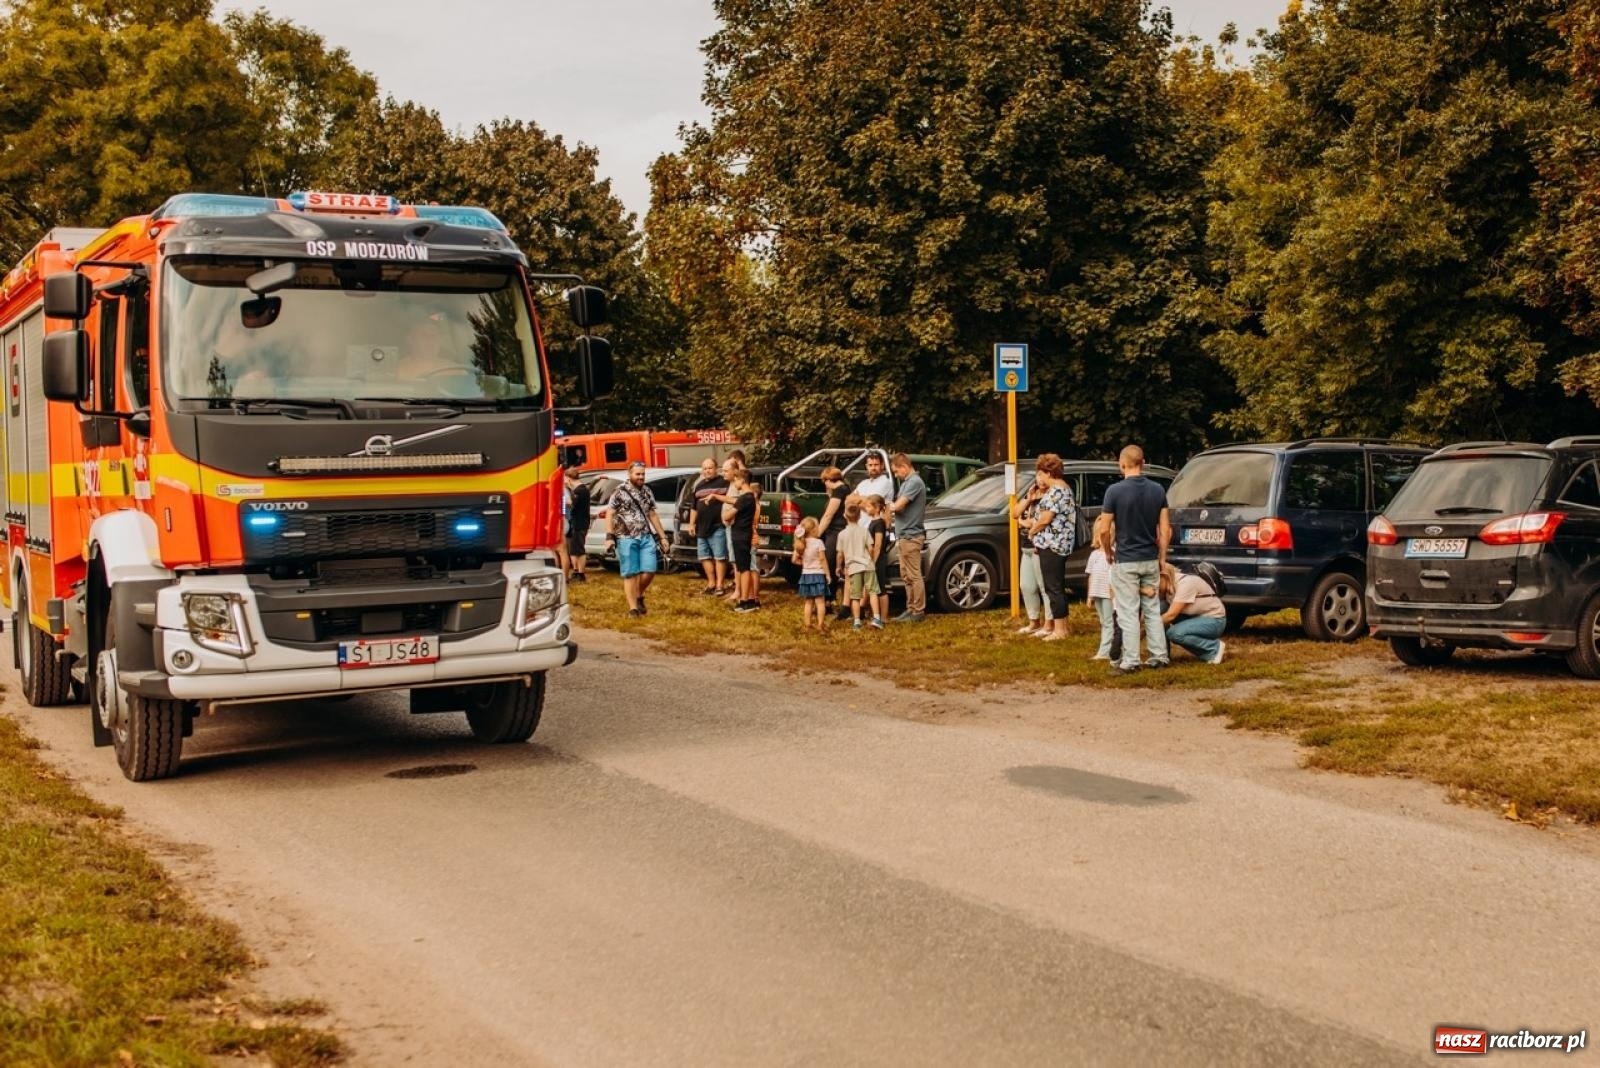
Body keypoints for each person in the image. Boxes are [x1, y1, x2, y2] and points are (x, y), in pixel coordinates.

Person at [1103, 444, 1172, 675]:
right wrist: (1162, 557)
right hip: (1150, 558)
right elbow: (1165, 529)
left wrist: (1107, 550)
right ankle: (1159, 656)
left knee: (1128, 611)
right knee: (1152, 609)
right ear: (1143, 463)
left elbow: (1104, 528)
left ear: (1122, 464)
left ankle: (1131, 660)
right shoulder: (1158, 490)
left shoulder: (1114, 491)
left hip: (1126, 558)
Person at [605, 461, 671, 617]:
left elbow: (652, 514)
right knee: (631, 573)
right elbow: (610, 513)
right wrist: (610, 537)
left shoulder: (647, 491)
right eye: (638, 474)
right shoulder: (619, 491)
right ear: (630, 474)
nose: (641, 477)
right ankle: (633, 608)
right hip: (626, 537)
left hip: (646, 536)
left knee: (650, 570)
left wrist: (663, 537)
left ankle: (638, 594)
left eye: (643, 474)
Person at [1025, 453, 1076, 642]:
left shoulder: (1057, 491)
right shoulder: (1064, 489)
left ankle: (1060, 629)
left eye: (1041, 472)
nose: (1040, 477)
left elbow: (1046, 518)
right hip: (1057, 543)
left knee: (1053, 586)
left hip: (1053, 544)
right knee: (1056, 586)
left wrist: (1032, 531)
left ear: (1048, 472)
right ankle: (1062, 625)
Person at [888, 453, 928, 622]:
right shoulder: (907, 483)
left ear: (904, 467)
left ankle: (918, 611)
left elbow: (898, 506)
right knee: (906, 575)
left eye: (896, 471)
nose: (896, 475)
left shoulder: (914, 482)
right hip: (903, 536)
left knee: (914, 575)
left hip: (911, 536)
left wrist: (891, 506)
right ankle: (910, 608)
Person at [1160, 562, 1227, 663]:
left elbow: (1171, 616)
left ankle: (1214, 648)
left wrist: (1144, 629)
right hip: (1193, 618)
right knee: (1161, 608)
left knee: (1175, 633)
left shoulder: (1186, 583)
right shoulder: (1168, 586)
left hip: (1214, 621)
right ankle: (1162, 657)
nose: (1152, 586)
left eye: (1153, 581)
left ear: (1164, 576)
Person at [1012, 480, 1053, 636]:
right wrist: (1028, 498)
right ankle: (1034, 621)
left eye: (1043, 475)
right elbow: (1015, 513)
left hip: (1040, 548)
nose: (1040, 479)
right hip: (1026, 547)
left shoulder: (1050, 498)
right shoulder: (1032, 496)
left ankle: (1049, 624)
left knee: (1044, 587)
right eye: (1038, 475)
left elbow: (1034, 522)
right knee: (1026, 585)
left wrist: (1023, 523)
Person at [836, 500, 883, 629]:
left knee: (855, 596)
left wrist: (838, 566)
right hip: (867, 565)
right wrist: (871, 560)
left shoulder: (842, 534)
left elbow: (840, 554)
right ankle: (877, 618)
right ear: (860, 516)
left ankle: (857, 621)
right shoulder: (865, 531)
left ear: (845, 516)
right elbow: (871, 548)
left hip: (853, 567)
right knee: (873, 592)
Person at [687, 457, 731, 595]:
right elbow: (694, 507)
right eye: (705, 468)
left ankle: (720, 585)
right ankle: (711, 583)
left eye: (710, 468)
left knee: (719, 557)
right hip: (701, 527)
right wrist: (691, 524)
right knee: (704, 556)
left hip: (718, 526)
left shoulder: (724, 483)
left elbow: (731, 500)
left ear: (716, 469)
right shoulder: (698, 485)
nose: (707, 471)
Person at [723, 465, 761, 612]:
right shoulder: (748, 497)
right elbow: (730, 501)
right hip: (743, 535)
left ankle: (745, 601)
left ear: (741, 480)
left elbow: (727, 516)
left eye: (735, 480)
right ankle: (749, 599)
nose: (734, 484)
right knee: (743, 568)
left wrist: (728, 514)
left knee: (744, 569)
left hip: (742, 536)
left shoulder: (745, 498)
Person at [815, 466, 850, 613]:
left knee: (828, 563)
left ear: (828, 480)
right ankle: (829, 599)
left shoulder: (839, 492)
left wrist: (816, 535)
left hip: (835, 532)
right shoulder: (844, 489)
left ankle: (827, 601)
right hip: (838, 531)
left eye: (825, 481)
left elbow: (828, 516)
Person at [792, 516, 831, 630]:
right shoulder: (819, 543)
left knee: (808, 602)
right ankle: (821, 624)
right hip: (818, 574)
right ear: (814, 530)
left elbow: (794, 559)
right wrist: (827, 574)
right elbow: (823, 560)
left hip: (806, 575)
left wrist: (804, 564)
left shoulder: (801, 543)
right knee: (820, 602)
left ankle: (808, 624)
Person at [1086, 513, 1117, 659]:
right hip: (1097, 593)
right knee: (1103, 621)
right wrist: (1089, 596)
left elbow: (1116, 575)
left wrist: (1114, 592)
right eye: (1100, 535)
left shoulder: (1115, 554)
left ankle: (1105, 651)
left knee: (1109, 621)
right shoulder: (1094, 555)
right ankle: (1106, 649)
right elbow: (1091, 576)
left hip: (1108, 594)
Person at [865, 495, 892, 627]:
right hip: (872, 559)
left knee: (881, 587)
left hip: (878, 559)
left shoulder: (879, 523)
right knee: (875, 588)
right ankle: (876, 614)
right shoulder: (873, 522)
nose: (866, 508)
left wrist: (874, 561)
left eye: (869, 506)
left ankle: (884, 616)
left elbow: (878, 544)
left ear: (876, 508)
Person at [564, 466, 592, 583]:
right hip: (577, 522)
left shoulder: (580, 491)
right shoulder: (580, 489)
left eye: (565, 478)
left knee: (579, 549)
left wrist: (564, 498)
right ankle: (576, 571)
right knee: (574, 549)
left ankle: (581, 574)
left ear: (569, 478)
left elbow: (571, 504)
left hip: (579, 523)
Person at [853, 454, 895, 530]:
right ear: (866, 466)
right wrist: (862, 501)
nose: (873, 468)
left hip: (875, 530)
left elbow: (872, 505)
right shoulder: (863, 483)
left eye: (876, 465)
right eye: (870, 465)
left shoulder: (885, 482)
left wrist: (858, 500)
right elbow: (849, 500)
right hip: (860, 529)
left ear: (882, 465)